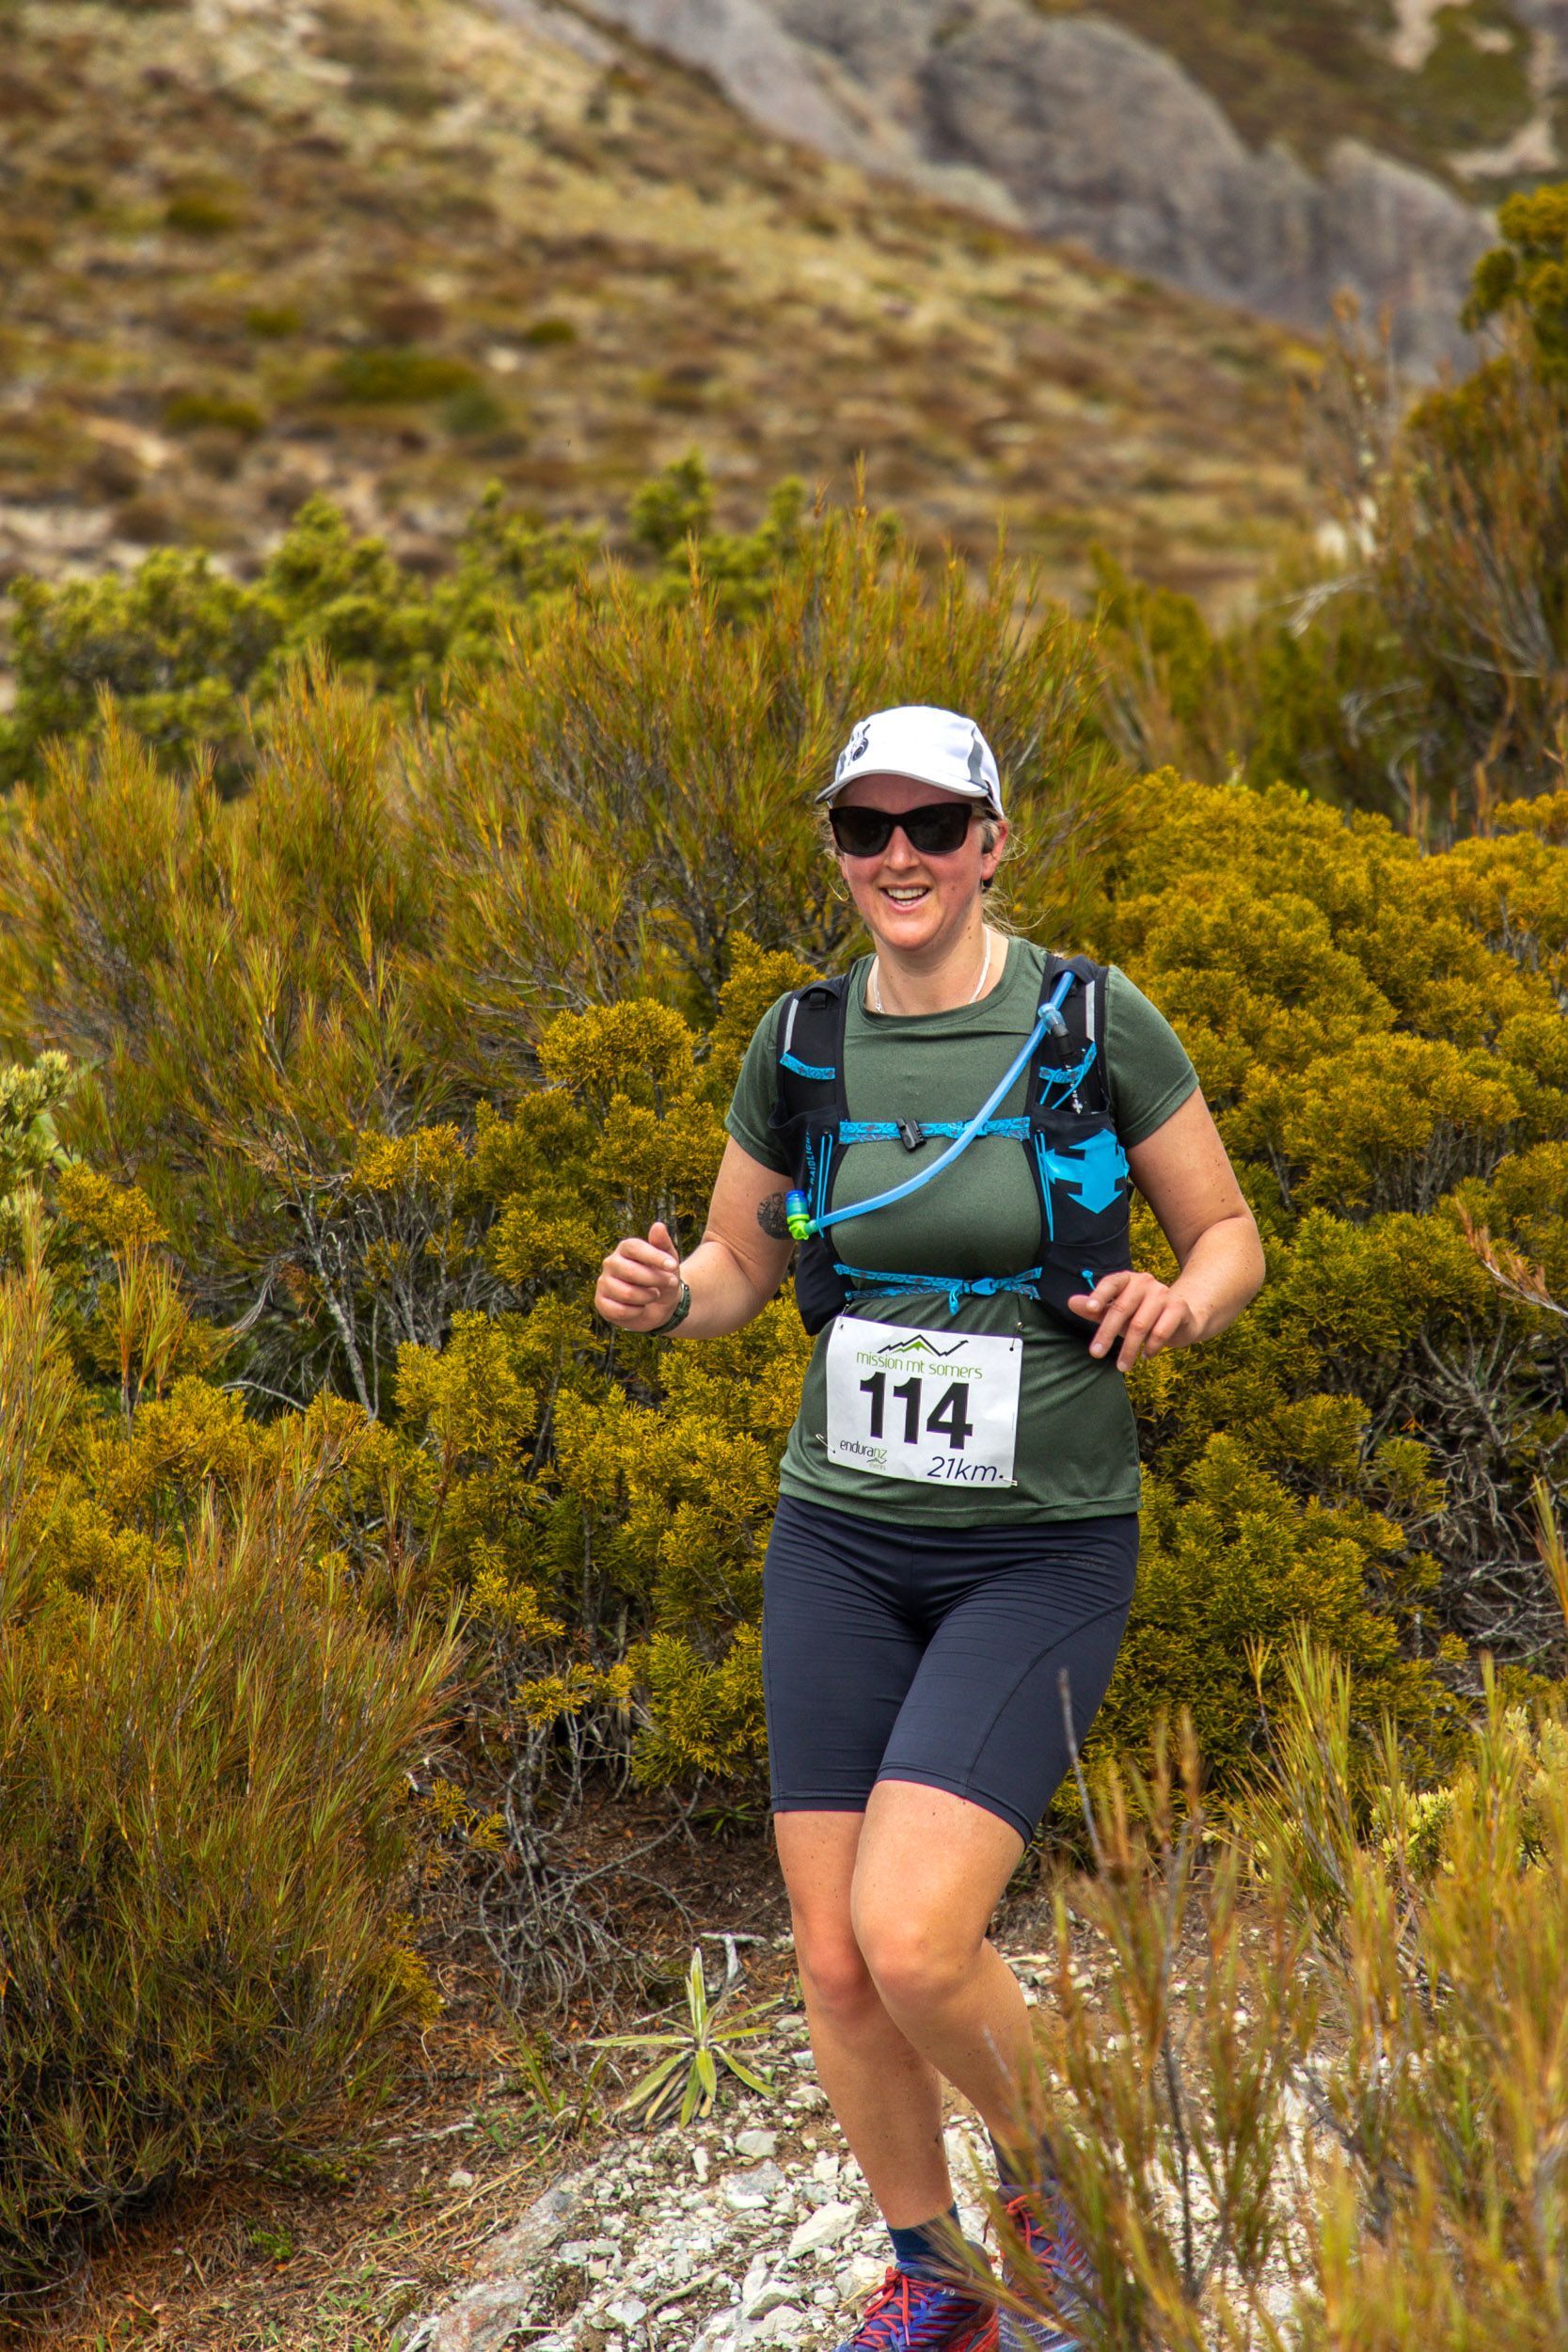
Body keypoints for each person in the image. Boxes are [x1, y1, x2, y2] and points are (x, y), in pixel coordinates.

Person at [595, 706, 1264, 2352]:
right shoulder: (803, 1042)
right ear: (837, 847)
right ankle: (935, 2275)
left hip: (1037, 1542)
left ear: (991, 841)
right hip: (838, 1536)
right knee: (832, 1962)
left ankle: (1075, 2202)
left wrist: (1182, 1305)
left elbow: (1232, 1233)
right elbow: (741, 1277)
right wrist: (661, 1299)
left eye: (933, 826)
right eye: (864, 828)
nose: (899, 857)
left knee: (913, 1932)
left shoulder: (1091, 1021)